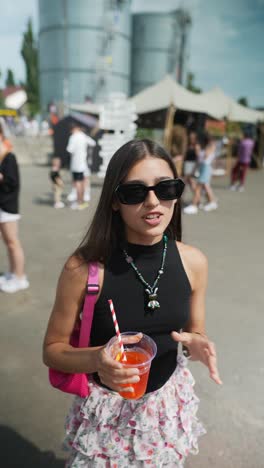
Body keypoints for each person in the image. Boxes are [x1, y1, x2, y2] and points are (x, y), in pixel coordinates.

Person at [43, 139, 222, 467]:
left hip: (166, 406)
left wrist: (198, 344)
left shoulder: (194, 262)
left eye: (165, 188)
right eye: (135, 192)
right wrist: (98, 359)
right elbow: (52, 349)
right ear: (114, 201)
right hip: (106, 413)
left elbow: (194, 332)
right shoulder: (83, 268)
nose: (153, 202)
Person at [0, 136, 29, 293]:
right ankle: (13, 273)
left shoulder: (9, 157)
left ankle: (20, 277)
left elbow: (13, 183)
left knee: (13, 242)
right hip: (3, 206)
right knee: (8, 242)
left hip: (8, 206)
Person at [184, 133, 218, 214]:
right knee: (206, 186)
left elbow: (206, 156)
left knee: (199, 187)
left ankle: (194, 205)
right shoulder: (205, 147)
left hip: (206, 167)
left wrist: (200, 150)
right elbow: (199, 160)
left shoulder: (211, 146)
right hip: (203, 167)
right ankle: (212, 202)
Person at [66, 123, 96, 209]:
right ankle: (82, 201)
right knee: (82, 182)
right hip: (83, 163)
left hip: (76, 164)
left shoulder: (73, 137)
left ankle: (79, 202)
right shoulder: (83, 136)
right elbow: (93, 143)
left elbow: (70, 150)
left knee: (77, 183)